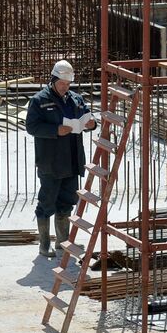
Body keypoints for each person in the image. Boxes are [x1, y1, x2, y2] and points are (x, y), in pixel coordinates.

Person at [24, 59, 97, 257]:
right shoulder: (39, 100)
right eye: (62, 84)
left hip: (72, 160)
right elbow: (31, 126)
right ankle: (44, 244)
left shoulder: (75, 99)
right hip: (51, 161)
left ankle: (63, 242)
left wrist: (92, 124)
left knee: (67, 201)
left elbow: (88, 117)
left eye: (68, 84)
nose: (65, 88)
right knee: (47, 202)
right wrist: (55, 130)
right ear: (53, 80)